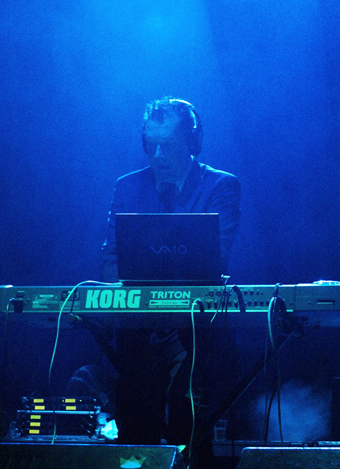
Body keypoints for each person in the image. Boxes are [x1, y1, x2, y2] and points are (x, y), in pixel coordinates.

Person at [102, 97, 240, 466]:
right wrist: (122, 301)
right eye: (151, 145)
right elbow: (112, 258)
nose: (158, 156)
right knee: (134, 436)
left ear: (193, 143)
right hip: (138, 330)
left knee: (188, 425)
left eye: (169, 145)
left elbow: (213, 257)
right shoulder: (127, 188)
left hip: (191, 331)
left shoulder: (220, 187)